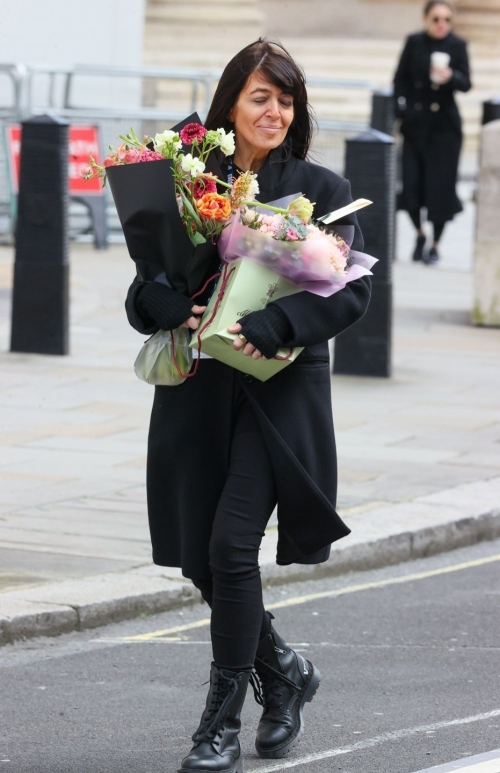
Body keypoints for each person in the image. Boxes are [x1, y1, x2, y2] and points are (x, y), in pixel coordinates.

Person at [125, 39, 371, 773]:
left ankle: (218, 725)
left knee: (232, 547)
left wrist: (276, 323)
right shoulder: (189, 180)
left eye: (285, 99)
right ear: (230, 102)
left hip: (277, 397)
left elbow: (350, 290)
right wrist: (163, 302)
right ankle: (287, 670)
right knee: (206, 562)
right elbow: (147, 285)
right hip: (198, 394)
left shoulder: (323, 190)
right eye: (260, 96)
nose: (274, 110)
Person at [393, 0, 471, 264]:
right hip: (416, 125)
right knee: (412, 185)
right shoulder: (414, 42)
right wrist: (401, 110)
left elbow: (467, 83)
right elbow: (400, 80)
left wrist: (451, 77)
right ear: (426, 18)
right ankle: (419, 234)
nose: (441, 24)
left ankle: (435, 245)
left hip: (446, 129)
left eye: (447, 20)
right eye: (436, 19)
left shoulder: (457, 45)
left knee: (441, 188)